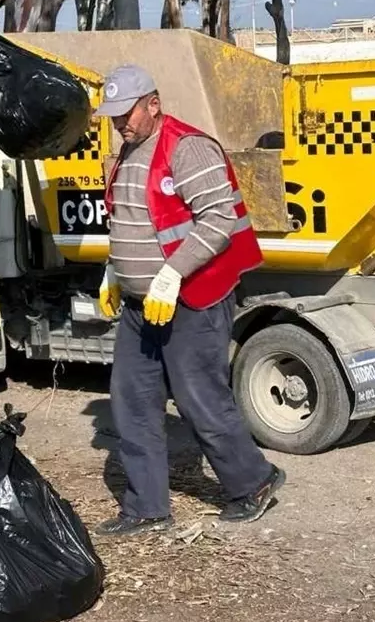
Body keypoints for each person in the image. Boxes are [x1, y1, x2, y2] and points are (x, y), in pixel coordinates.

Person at [91, 64, 285, 536]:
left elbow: (217, 220)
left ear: (153, 104)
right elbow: (130, 221)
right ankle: (146, 507)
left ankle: (254, 482)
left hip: (192, 299)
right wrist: (114, 272)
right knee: (132, 403)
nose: (121, 124)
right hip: (141, 308)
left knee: (200, 399)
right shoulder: (127, 154)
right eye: (113, 116)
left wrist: (171, 274)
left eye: (127, 113)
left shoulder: (188, 148)